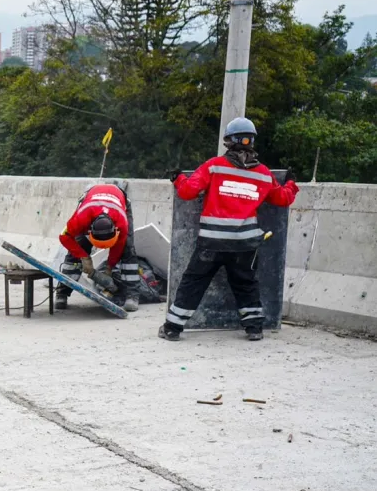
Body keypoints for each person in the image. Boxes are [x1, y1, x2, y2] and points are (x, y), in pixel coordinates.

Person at [160, 117, 299, 342]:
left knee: (194, 282)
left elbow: (188, 192)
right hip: (244, 245)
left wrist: (178, 178)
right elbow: (283, 199)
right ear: (251, 141)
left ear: (228, 141)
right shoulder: (263, 173)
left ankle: (172, 328)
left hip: (212, 243)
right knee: (246, 284)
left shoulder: (214, 166)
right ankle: (254, 329)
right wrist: (291, 183)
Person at [56, 181, 141, 312]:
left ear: (116, 231)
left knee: (127, 249)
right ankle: (62, 292)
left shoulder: (121, 222)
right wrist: (83, 256)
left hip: (119, 201)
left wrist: (109, 267)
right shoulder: (81, 218)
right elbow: (64, 236)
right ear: (89, 230)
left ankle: (132, 296)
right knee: (79, 245)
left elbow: (119, 246)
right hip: (89, 201)